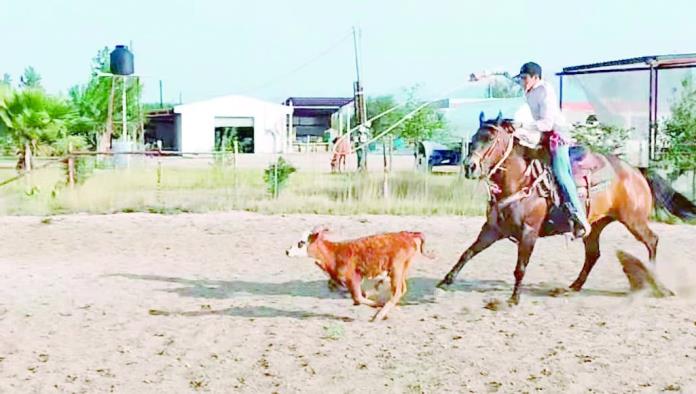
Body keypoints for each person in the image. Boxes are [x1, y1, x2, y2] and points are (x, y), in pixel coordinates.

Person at [513, 62, 592, 238]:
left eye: (524, 78)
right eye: (521, 78)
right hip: (541, 135)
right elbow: (505, 76)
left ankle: (580, 218)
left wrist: (522, 125)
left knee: (562, 174)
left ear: (535, 77)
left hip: (557, 135)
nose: (521, 82)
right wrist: (484, 74)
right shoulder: (529, 88)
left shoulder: (545, 91)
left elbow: (548, 123)